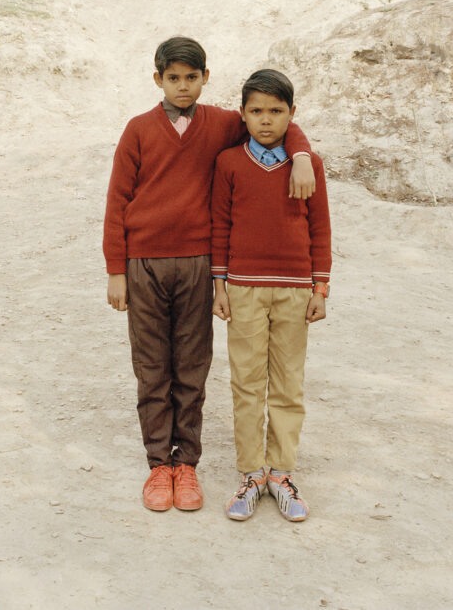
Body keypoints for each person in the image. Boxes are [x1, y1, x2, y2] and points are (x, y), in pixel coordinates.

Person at [103, 38, 315, 512]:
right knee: (152, 366)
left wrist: (301, 155)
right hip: (144, 264)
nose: (182, 87)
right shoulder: (137, 130)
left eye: (191, 78)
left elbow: (280, 123)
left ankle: (188, 465)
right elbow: (117, 201)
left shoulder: (221, 124)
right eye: (173, 78)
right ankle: (160, 465)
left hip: (198, 264)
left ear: (205, 78)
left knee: (192, 367)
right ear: (158, 79)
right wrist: (116, 270)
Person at [211, 68, 331, 522]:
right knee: (246, 382)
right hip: (241, 288)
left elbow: (319, 227)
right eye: (256, 111)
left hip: (295, 289)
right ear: (242, 115)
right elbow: (219, 226)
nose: (266, 120)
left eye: (276, 111)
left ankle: (281, 473)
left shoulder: (308, 164)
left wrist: (320, 287)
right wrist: (219, 285)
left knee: (287, 384)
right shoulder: (228, 164)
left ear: (292, 114)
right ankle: (250, 473)